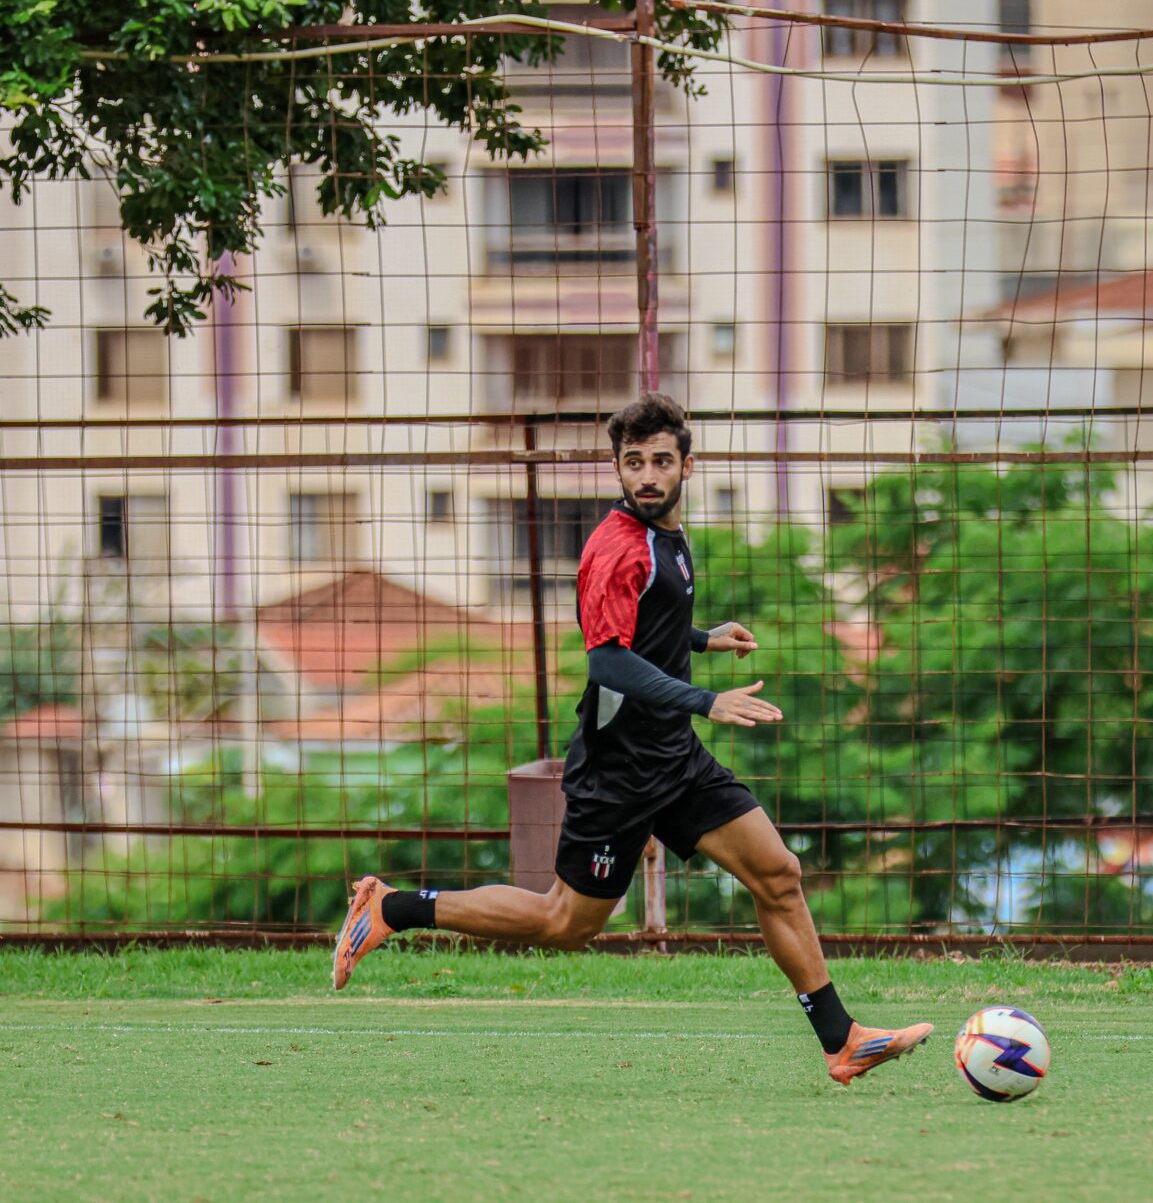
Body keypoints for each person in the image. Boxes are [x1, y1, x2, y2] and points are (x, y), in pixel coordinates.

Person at [333, 393, 931, 1084]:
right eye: (633, 462)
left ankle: (842, 1040)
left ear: (686, 466)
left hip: (672, 755)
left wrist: (702, 639)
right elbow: (608, 659)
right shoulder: (614, 546)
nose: (647, 476)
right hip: (619, 768)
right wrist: (708, 700)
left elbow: (648, 619)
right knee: (565, 925)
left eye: (660, 462)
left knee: (778, 874)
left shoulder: (667, 537)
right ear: (617, 469)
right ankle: (394, 909)